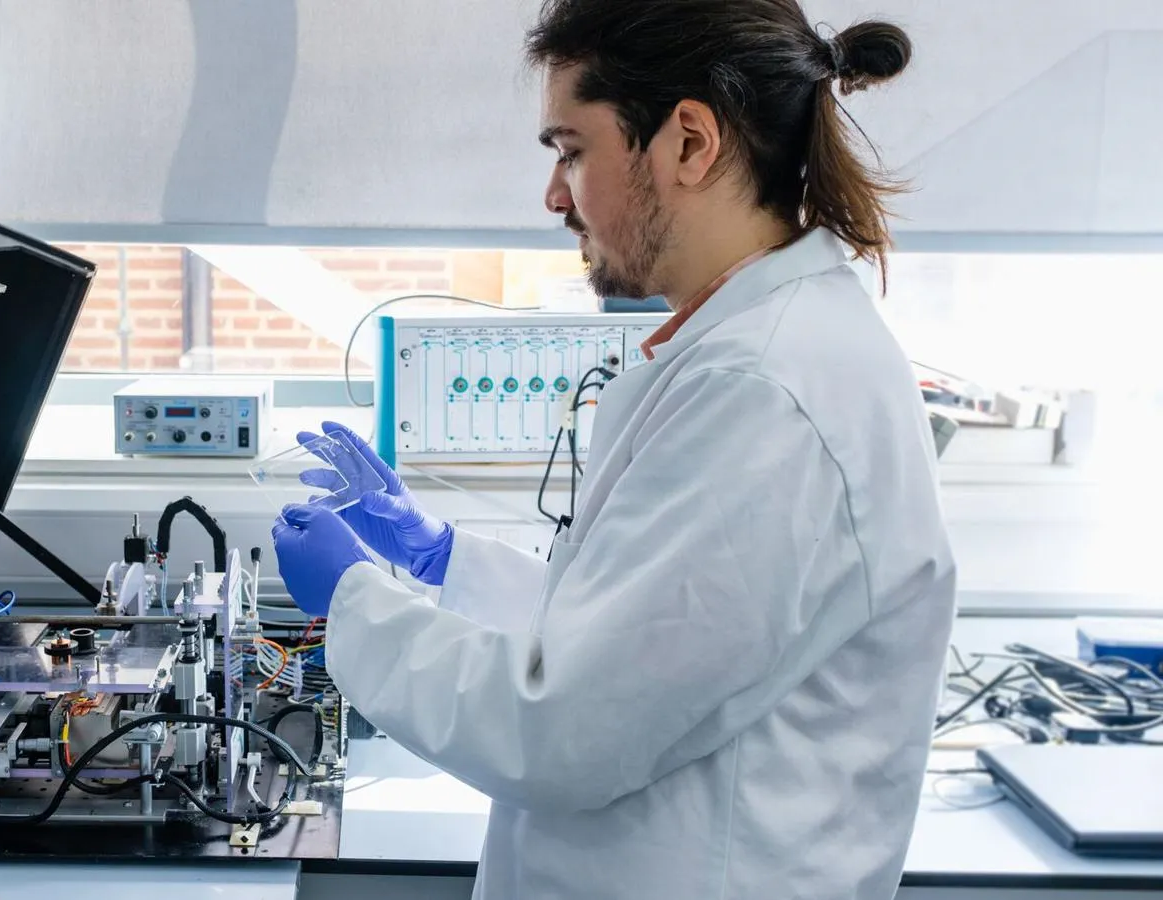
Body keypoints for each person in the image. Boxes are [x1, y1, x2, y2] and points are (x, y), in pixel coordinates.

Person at [272, 0, 956, 896]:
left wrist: (354, 603)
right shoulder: (752, 349)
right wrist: (442, 561)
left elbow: (561, 730)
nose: (554, 195)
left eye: (571, 150)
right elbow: (637, 642)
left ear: (688, 143)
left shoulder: (765, 394)